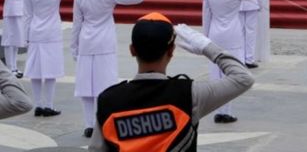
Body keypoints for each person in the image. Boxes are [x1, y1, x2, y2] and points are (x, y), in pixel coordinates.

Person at [88, 12, 255, 151]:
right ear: (172, 50)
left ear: (132, 50)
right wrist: (207, 47)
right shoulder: (189, 95)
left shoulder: (108, 100)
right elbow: (243, 78)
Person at [71, 0, 144, 138]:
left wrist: (74, 48)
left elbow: (76, 24)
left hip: (86, 43)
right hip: (105, 43)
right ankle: (103, 122)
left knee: (86, 86)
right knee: (105, 86)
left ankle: (89, 124)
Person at [203, 0, 262, 123]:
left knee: (216, 75)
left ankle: (218, 111)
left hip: (215, 34)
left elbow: (206, 17)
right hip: (233, 35)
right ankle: (226, 111)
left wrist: (205, 39)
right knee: (231, 74)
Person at [24, 0, 82, 117]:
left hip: (35, 31)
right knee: (50, 71)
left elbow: (27, 15)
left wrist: (26, 36)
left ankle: (38, 105)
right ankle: (48, 105)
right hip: (51, 32)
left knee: (36, 71)